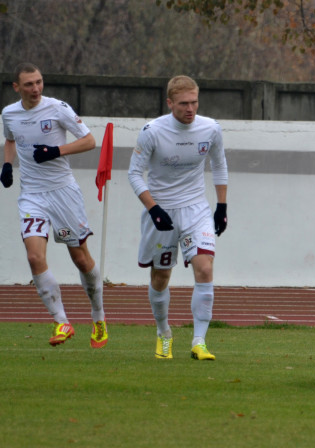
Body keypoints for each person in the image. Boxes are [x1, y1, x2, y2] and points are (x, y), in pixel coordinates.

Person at [1, 63, 108, 348]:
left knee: (81, 259)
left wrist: (55, 151)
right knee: (35, 257)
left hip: (63, 193)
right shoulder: (9, 113)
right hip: (32, 195)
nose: (35, 88)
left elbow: (89, 141)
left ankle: (98, 316)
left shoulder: (57, 108)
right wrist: (7, 165)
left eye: (38, 82)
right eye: (28, 84)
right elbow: (10, 140)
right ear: (16, 87)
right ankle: (61, 321)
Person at [128, 75, 228, 361]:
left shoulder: (211, 129)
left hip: (196, 208)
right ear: (170, 102)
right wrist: (153, 208)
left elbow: (220, 165)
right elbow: (134, 173)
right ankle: (163, 333)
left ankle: (199, 342)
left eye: (194, 102)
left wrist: (221, 206)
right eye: (183, 103)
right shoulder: (152, 131)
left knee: (205, 268)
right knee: (161, 276)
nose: (190, 108)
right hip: (161, 210)